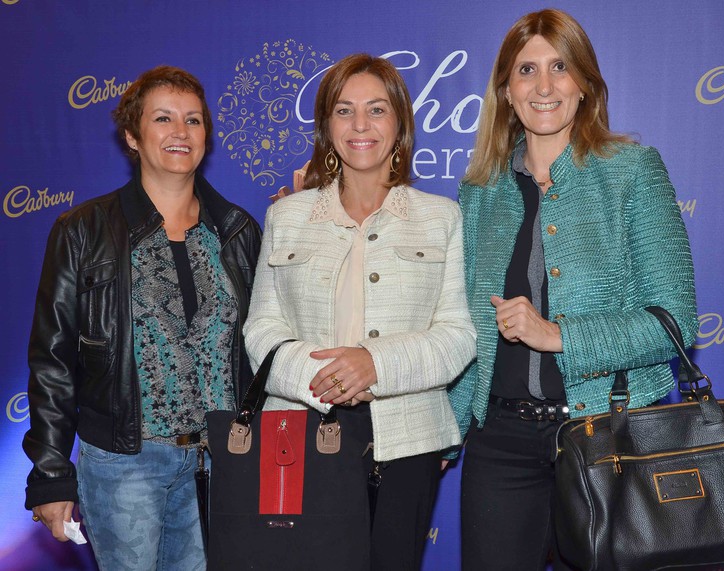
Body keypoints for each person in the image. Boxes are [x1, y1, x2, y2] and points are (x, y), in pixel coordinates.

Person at [446, 9, 698, 570]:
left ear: (585, 84)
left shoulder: (632, 171)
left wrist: (558, 335)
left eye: (559, 67)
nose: (543, 85)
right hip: (500, 445)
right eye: (526, 70)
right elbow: (468, 328)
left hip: (609, 437)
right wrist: (448, 430)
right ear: (506, 91)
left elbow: (675, 323)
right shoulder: (479, 192)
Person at [242, 53, 476, 570]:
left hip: (408, 435)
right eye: (344, 110)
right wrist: (321, 378)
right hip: (300, 430)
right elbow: (261, 329)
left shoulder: (441, 218)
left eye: (377, 109)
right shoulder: (287, 216)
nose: (361, 125)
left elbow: (458, 334)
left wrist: (375, 365)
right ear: (327, 125)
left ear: (400, 124)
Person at [22, 65, 261, 570]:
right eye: (163, 118)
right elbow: (52, 361)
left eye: (193, 120)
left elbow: (261, 346)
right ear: (132, 135)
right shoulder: (83, 230)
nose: (181, 132)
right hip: (124, 463)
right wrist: (51, 474)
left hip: (220, 461)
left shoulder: (237, 231)